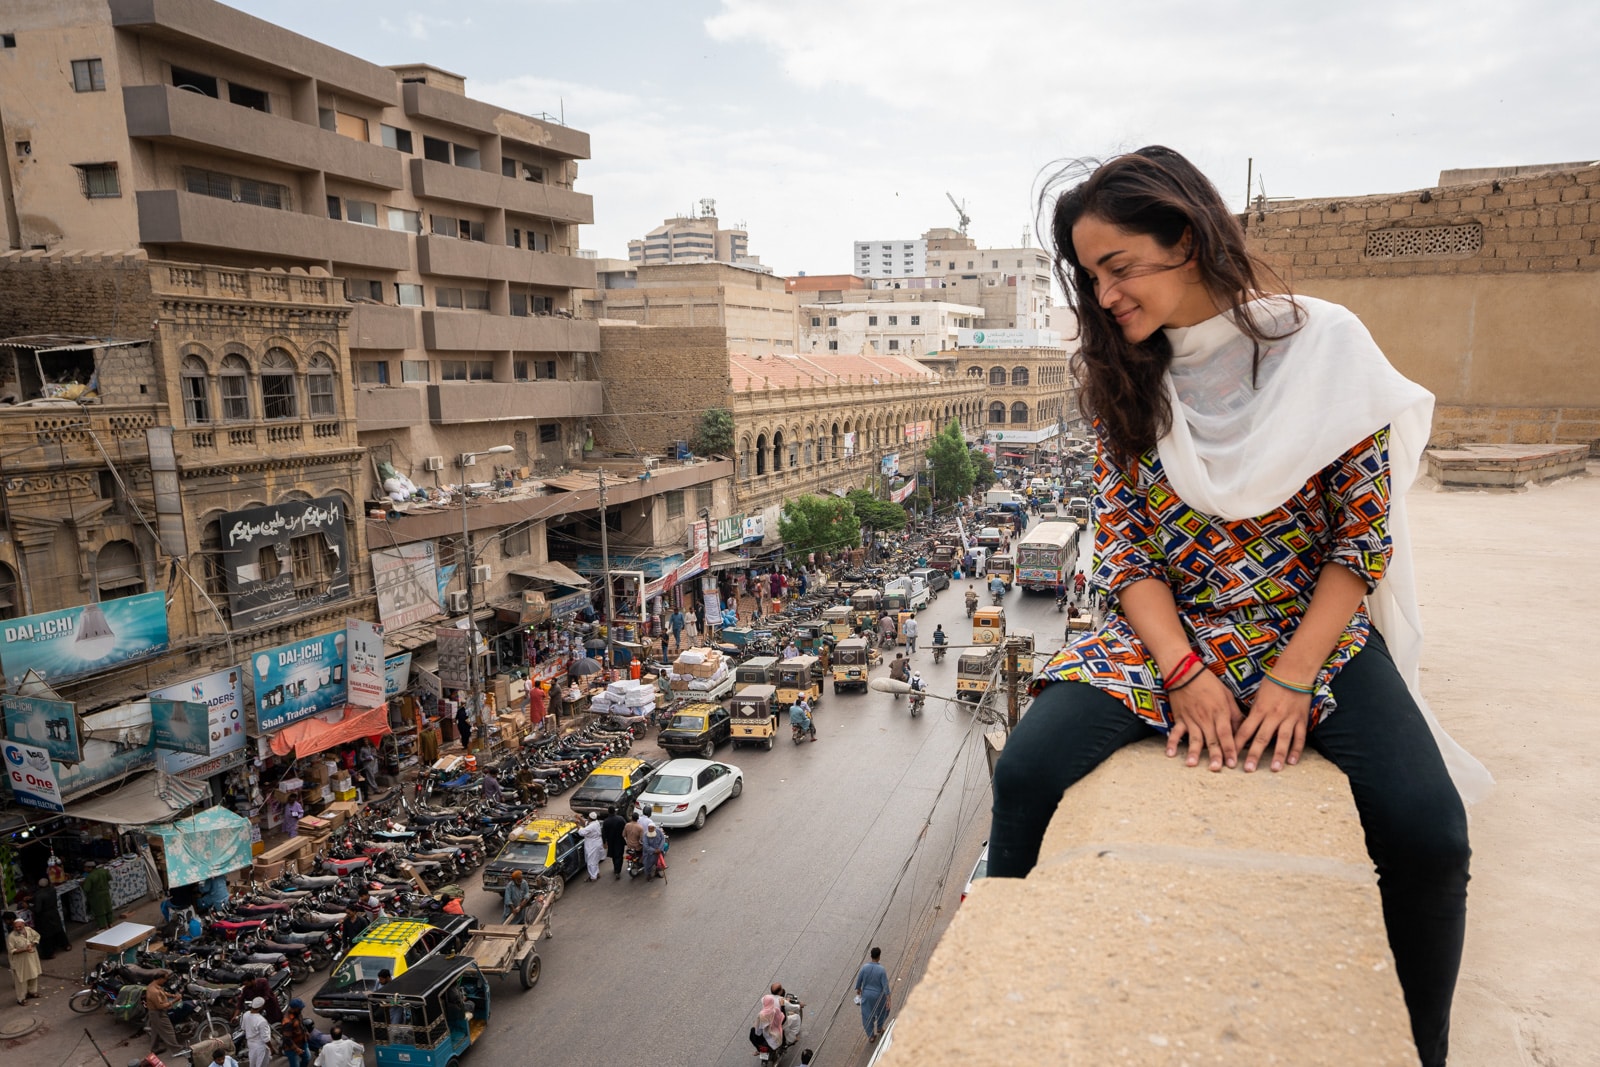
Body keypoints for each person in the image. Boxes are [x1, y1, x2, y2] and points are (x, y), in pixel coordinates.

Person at [989, 146, 1486, 1067]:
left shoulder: (1327, 346)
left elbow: (1358, 541)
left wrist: (1292, 680)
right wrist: (1181, 671)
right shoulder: (1124, 377)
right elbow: (1127, 545)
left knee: (1430, 832)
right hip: (1166, 633)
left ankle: (1425, 1050)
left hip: (1311, 634)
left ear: (1185, 238)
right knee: (1026, 772)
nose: (1105, 297)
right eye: (1091, 277)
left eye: (1120, 268)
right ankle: (995, 1002)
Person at [854, 946, 890, 1042]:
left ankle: (871, 1036)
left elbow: (859, 982)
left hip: (866, 995)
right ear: (879, 957)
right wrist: (889, 999)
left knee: (867, 1015)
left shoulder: (864, 967)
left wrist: (858, 990)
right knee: (883, 1011)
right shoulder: (881, 970)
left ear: (871, 956)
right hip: (879, 996)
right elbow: (885, 986)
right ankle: (879, 1027)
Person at [145, 973, 184, 1055]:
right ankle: (177, 1050)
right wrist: (174, 1001)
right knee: (169, 1031)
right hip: (158, 1013)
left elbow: (163, 993)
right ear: (160, 978)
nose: (165, 981)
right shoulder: (153, 991)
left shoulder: (154, 985)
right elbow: (160, 1006)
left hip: (154, 1013)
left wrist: (173, 995)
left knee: (156, 1032)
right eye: (165, 979)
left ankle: (154, 1049)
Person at [30, 878, 68, 958]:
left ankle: (49, 953)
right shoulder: (52, 890)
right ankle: (66, 945)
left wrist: (28, 907)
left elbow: (37, 910)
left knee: (46, 936)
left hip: (44, 917)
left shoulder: (39, 895)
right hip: (54, 913)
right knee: (58, 930)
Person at [241, 996, 272, 1067]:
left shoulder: (246, 1014)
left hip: (250, 1044)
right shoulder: (261, 1021)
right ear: (261, 1007)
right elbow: (266, 1039)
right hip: (260, 1046)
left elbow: (243, 1027)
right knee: (261, 1063)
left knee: (253, 1062)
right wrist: (272, 1048)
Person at [82, 859, 113, 929]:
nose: (84, 869)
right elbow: (109, 878)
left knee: (100, 912)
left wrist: (82, 884)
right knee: (108, 909)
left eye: (85, 867)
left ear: (90, 868)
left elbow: (86, 889)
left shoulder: (90, 877)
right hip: (106, 893)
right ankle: (110, 923)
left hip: (96, 896)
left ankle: (103, 926)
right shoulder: (104, 871)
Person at [281, 999, 311, 1067]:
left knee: (307, 1057)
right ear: (294, 1009)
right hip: (291, 1047)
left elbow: (301, 1023)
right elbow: (286, 1038)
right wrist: (296, 1049)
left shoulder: (298, 1013)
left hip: (302, 1042)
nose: (301, 1009)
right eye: (300, 1008)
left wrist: (306, 1031)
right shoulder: (287, 1021)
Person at [578, 812, 606, 881]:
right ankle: (596, 873)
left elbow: (582, 832)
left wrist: (577, 824)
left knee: (591, 862)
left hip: (592, 845)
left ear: (589, 818)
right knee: (595, 860)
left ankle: (593, 877)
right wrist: (579, 818)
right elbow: (586, 823)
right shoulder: (596, 822)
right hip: (596, 843)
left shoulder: (591, 826)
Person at [601, 809, 627, 880]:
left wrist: (604, 842)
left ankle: (616, 869)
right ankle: (617, 871)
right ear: (614, 812)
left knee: (614, 855)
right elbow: (626, 827)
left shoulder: (606, 821)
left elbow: (604, 833)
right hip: (620, 840)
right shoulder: (620, 819)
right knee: (619, 856)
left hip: (611, 841)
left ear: (608, 812)